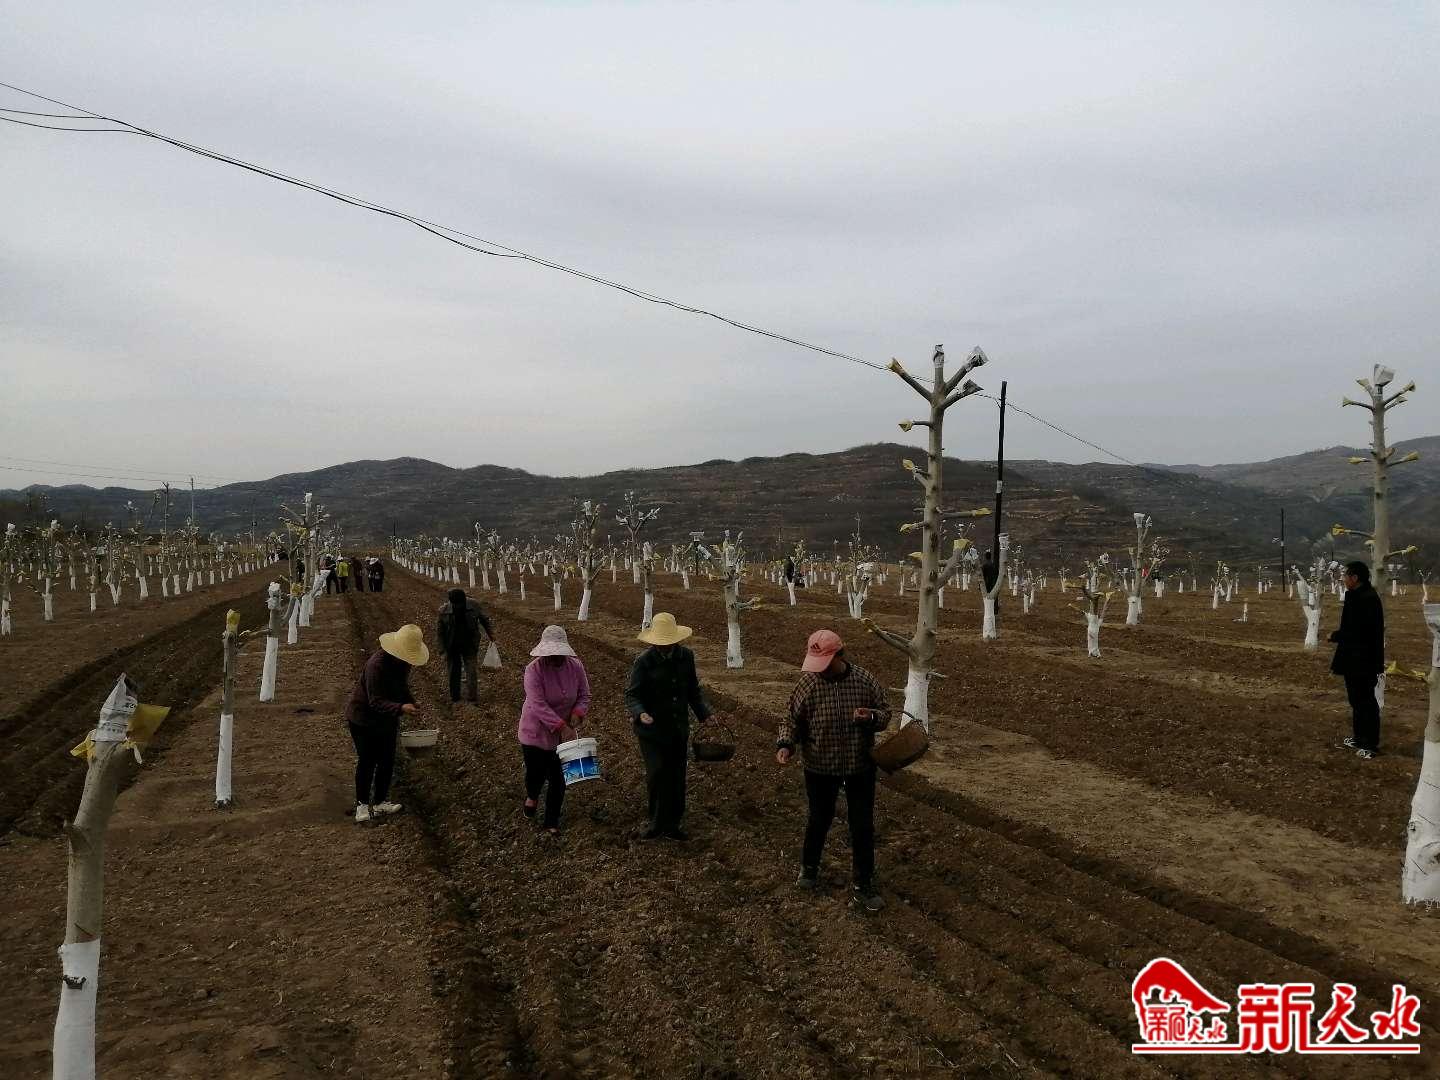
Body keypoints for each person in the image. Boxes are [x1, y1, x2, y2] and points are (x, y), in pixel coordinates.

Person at [776, 629, 891, 911]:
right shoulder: (808, 684)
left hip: (858, 764)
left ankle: (863, 883)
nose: (822, 670)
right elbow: (791, 720)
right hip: (820, 764)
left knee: (862, 825)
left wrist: (871, 717)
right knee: (819, 818)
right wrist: (786, 744)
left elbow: (885, 715)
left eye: (826, 663)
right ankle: (809, 868)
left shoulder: (864, 681)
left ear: (840, 655)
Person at [624, 612, 712, 841]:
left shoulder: (686, 657)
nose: (664, 647)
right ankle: (655, 822)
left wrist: (704, 715)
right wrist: (640, 713)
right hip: (651, 732)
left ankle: (673, 824)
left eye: (668, 643)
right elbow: (632, 695)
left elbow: (692, 690)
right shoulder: (644, 662)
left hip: (677, 728)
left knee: (676, 776)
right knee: (657, 774)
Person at [344, 623, 428, 823]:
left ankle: (380, 801)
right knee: (367, 760)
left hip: (386, 718)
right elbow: (375, 701)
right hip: (363, 719)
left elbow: (401, 686)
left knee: (387, 759)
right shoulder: (377, 665)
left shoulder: (403, 663)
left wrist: (410, 701)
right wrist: (401, 708)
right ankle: (362, 805)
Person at [518, 625, 591, 837]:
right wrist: (561, 726)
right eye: (551, 655)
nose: (555, 658)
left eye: (559, 654)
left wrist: (578, 713)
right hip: (535, 732)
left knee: (559, 778)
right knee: (536, 774)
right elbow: (537, 704)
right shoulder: (534, 670)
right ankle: (532, 796)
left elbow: (584, 694)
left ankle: (551, 820)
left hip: (563, 736)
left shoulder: (575, 666)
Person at [1329, 561, 1385, 759]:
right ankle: (1360, 738)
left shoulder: (1368, 599)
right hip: (1352, 658)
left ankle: (1371, 744)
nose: (1343, 579)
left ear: (1355, 578)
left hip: (1364, 659)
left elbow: (1361, 631)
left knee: (1366, 700)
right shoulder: (1355, 595)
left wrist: (1336, 636)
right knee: (1356, 699)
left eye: (1346, 575)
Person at [437, 588, 494, 704]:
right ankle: (455, 697)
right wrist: (442, 651)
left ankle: (472, 697)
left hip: (470, 644)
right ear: (451, 602)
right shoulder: (444, 611)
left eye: (461, 603)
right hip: (452, 645)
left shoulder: (474, 605)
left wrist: (491, 634)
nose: (459, 606)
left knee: (471, 670)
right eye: (456, 604)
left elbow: (484, 619)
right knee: (454, 671)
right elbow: (440, 633)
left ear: (464, 600)